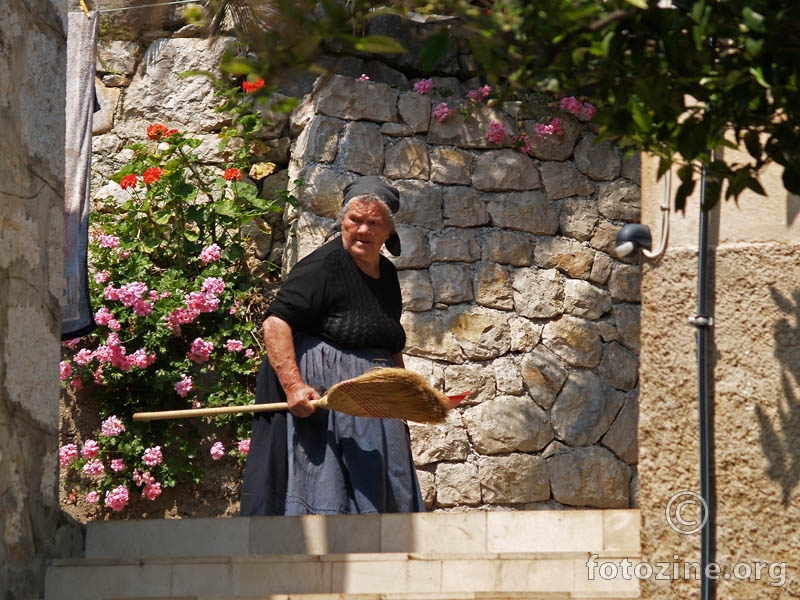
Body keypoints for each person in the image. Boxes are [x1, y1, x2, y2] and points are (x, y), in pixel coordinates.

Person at [240, 175, 425, 516]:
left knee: (386, 489)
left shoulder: (386, 274)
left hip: (376, 403)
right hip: (329, 405)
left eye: (374, 223)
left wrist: (406, 394)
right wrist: (294, 386)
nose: (363, 230)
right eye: (355, 220)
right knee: (331, 492)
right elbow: (275, 323)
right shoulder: (322, 265)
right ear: (342, 221)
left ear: (389, 233)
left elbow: (388, 339)